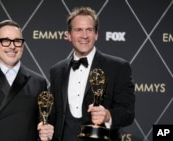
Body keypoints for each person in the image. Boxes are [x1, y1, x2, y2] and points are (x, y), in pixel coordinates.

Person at [49, 7, 135, 141]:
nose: (84, 35)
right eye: (78, 30)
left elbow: (127, 113)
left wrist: (108, 115)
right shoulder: (57, 70)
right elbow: (52, 114)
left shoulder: (118, 67)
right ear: (69, 35)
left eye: (89, 30)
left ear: (96, 35)